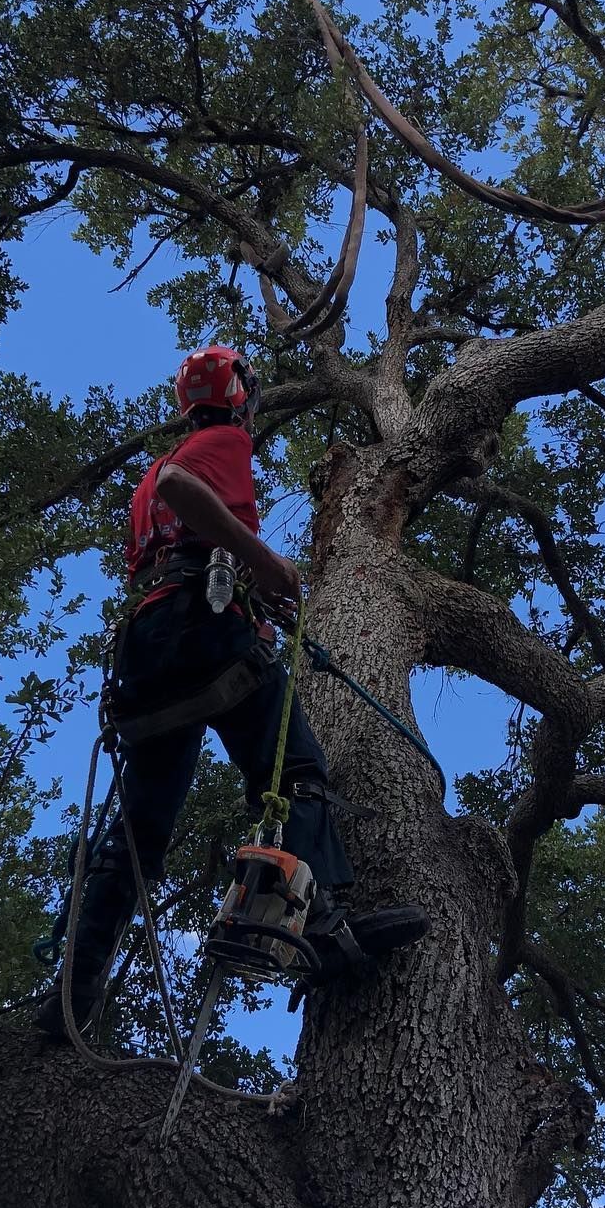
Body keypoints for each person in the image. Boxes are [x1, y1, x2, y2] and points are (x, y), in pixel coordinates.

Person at [37, 344, 429, 1038]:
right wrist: (264, 559)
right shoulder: (219, 441)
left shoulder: (148, 472)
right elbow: (182, 495)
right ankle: (322, 926)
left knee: (137, 836)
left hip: (151, 651)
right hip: (206, 636)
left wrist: (257, 587)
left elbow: (175, 532)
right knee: (300, 774)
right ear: (239, 395)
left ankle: (71, 995)